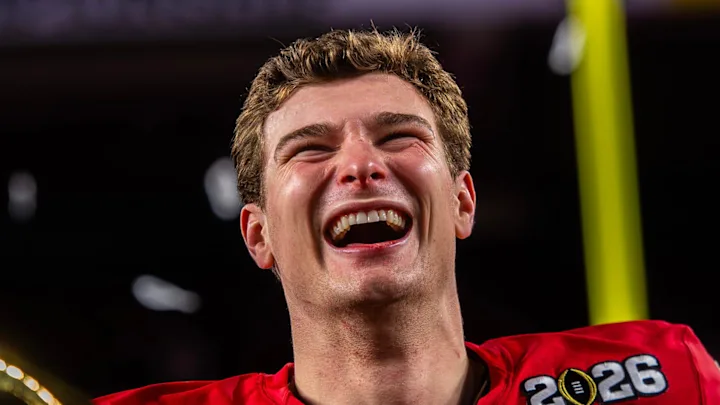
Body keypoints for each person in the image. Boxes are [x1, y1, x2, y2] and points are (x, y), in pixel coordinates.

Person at [94, 28, 720, 405]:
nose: (360, 165)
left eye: (399, 136)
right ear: (259, 236)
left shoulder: (663, 378)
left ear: (462, 201)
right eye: (310, 148)